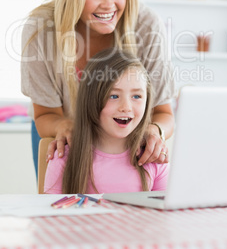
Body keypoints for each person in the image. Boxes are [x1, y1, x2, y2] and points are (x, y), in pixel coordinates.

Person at [21, 0, 176, 177]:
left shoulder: (147, 25)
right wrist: (63, 126)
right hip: (64, 139)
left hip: (126, 144)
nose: (108, 5)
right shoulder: (42, 30)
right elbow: (45, 115)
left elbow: (163, 113)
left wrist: (155, 130)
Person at [44, 49, 169, 193]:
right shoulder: (63, 159)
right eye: (114, 96)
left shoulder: (155, 159)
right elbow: (52, 213)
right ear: (90, 100)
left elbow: (165, 213)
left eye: (136, 96)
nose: (126, 107)